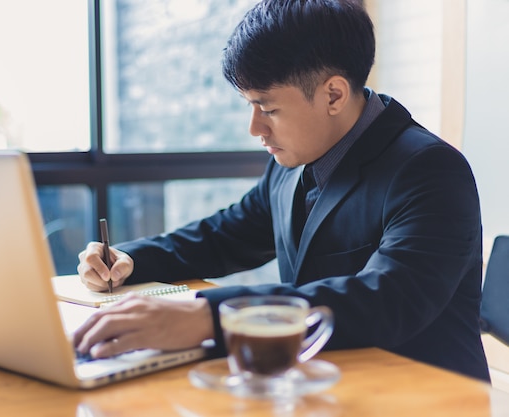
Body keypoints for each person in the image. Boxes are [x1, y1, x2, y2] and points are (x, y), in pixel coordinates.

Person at [74, 0, 490, 381]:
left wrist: (209, 317)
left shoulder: (430, 171)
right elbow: (226, 236)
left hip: (421, 393)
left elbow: (387, 299)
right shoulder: (293, 160)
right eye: (249, 105)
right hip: (320, 382)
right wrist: (130, 258)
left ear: (333, 94)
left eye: (268, 108)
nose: (254, 128)